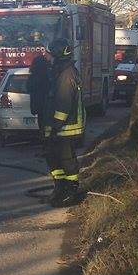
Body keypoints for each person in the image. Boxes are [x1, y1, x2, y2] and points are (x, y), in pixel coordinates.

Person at [43, 38, 86, 207]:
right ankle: (60, 188)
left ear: (57, 55)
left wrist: (55, 126)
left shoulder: (66, 75)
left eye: (49, 53)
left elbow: (63, 102)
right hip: (59, 127)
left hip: (65, 128)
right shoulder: (61, 71)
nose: (47, 56)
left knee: (66, 160)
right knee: (53, 158)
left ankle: (71, 191)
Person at [29, 53, 52, 137]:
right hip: (48, 106)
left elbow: (29, 88)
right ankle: (47, 141)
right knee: (47, 126)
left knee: (42, 125)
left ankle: (44, 139)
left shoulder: (33, 76)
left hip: (38, 106)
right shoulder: (49, 75)